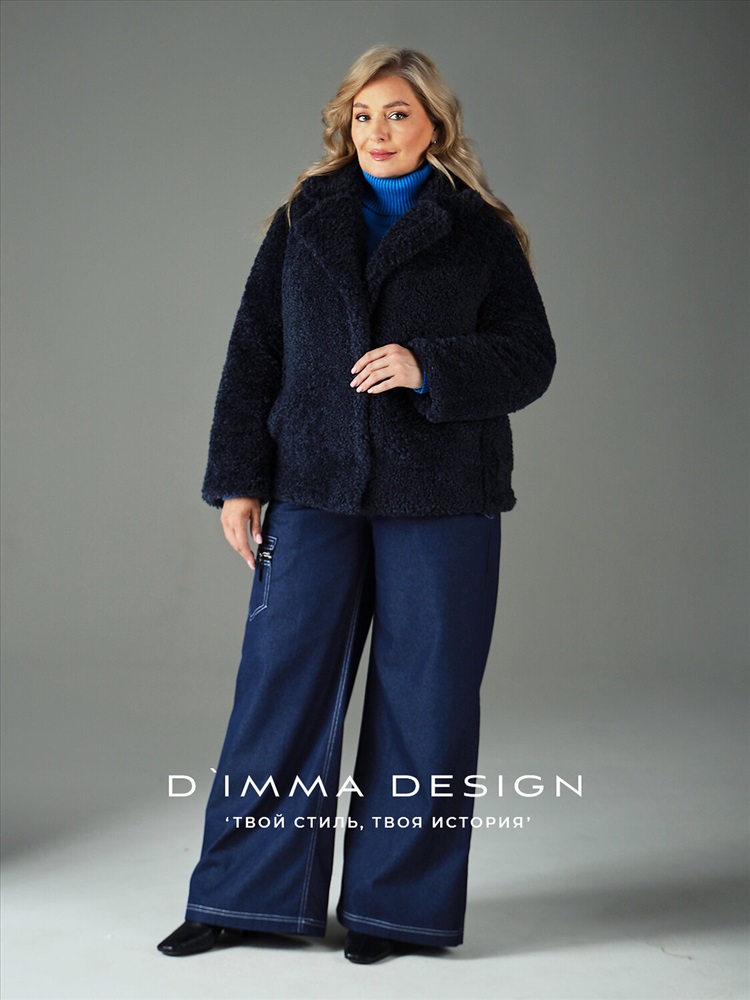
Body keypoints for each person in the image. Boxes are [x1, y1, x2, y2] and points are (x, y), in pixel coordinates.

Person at [157, 45, 555, 966]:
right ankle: (242, 900)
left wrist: (428, 367)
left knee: (428, 697)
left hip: (443, 493)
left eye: (398, 113)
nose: (377, 131)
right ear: (346, 124)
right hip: (311, 485)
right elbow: (253, 350)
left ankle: (396, 913)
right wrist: (240, 479)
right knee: (280, 686)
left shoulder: (480, 231)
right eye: (363, 114)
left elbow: (530, 357)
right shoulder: (305, 218)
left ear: (435, 125)